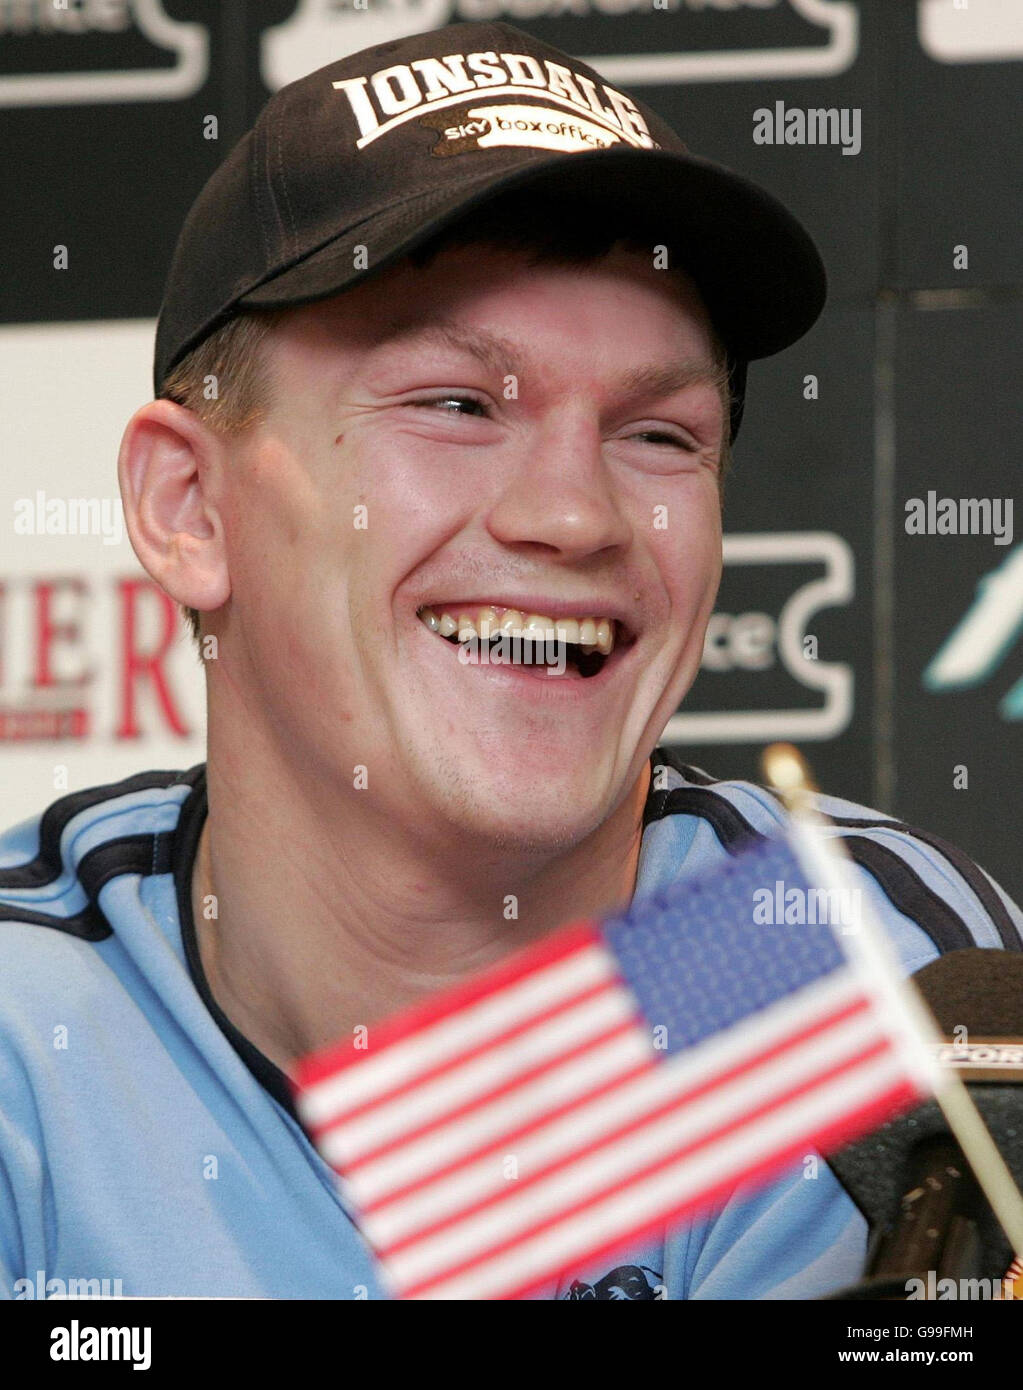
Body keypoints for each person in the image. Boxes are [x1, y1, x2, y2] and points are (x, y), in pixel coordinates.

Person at [1, 20, 1019, 1302]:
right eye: (458, 404)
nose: (576, 514)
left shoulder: (849, 961)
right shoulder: (30, 1013)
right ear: (189, 507)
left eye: (659, 434)